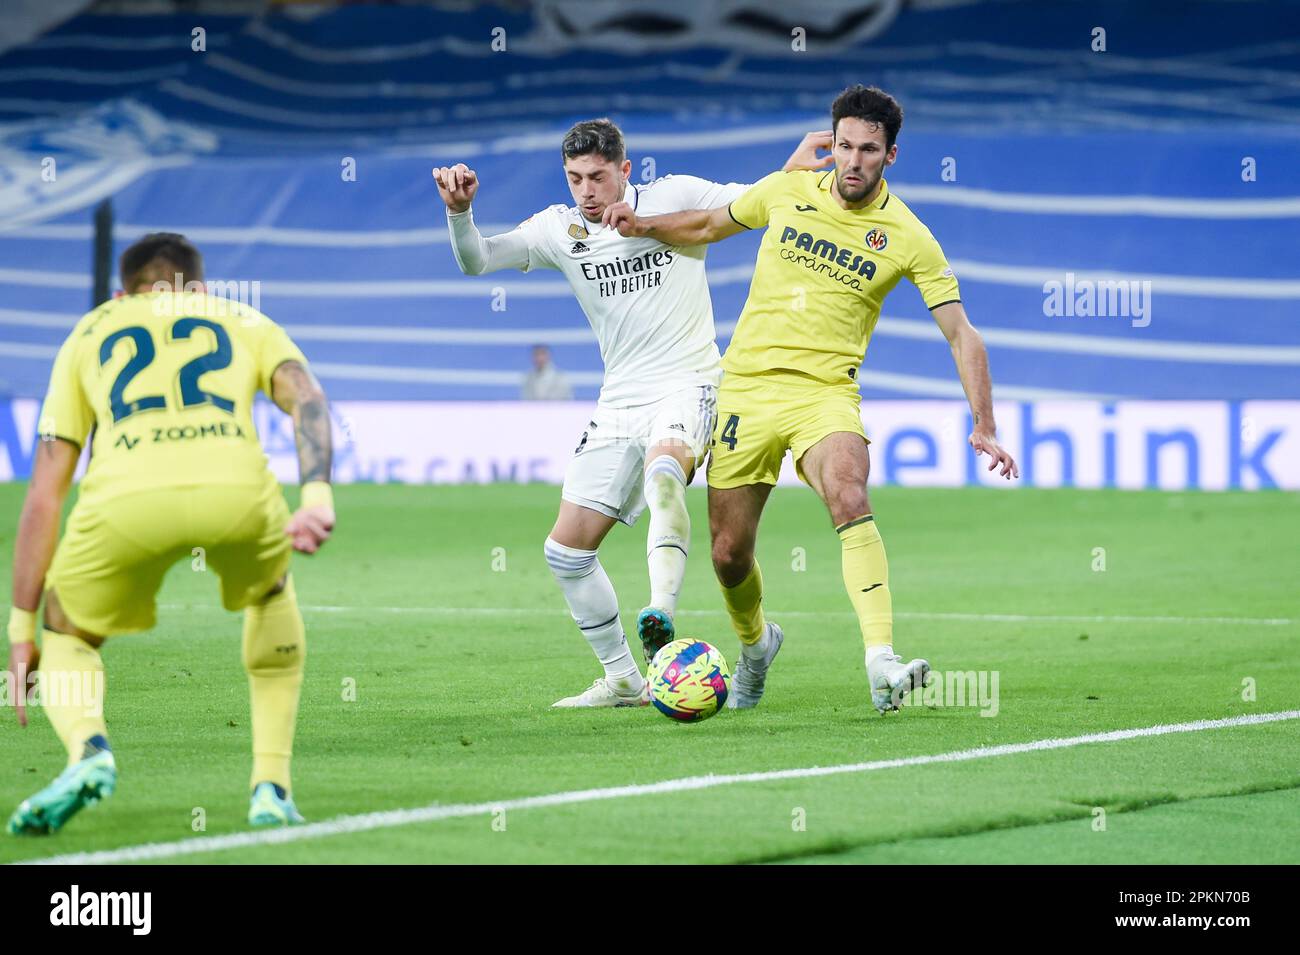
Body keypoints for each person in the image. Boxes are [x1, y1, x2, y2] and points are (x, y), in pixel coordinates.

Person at [603, 86, 1019, 714]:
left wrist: (984, 423)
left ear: (891, 155)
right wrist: (641, 225)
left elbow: (962, 333)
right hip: (746, 387)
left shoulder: (909, 236)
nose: (854, 161)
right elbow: (711, 224)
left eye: (869, 150)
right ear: (834, 142)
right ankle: (755, 645)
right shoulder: (786, 189)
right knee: (727, 553)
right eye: (846, 145)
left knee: (851, 493)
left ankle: (881, 660)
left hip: (825, 394)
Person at [434, 120, 826, 708]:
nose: (586, 191)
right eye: (574, 179)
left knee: (665, 471)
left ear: (625, 170)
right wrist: (461, 214)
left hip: (690, 381)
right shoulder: (558, 228)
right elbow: (479, 261)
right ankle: (623, 678)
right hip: (618, 400)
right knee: (565, 552)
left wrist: (792, 169)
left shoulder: (675, 197)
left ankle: (660, 613)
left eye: (596, 177)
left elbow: (756, 204)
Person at [6, 232, 334, 834]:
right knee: (269, 595)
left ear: (118, 294)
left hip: (125, 506)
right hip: (235, 497)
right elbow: (308, 399)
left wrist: (22, 627)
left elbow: (45, 490)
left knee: (67, 629)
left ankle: (88, 752)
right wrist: (315, 496)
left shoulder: (90, 331)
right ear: (202, 288)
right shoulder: (240, 316)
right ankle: (270, 789)